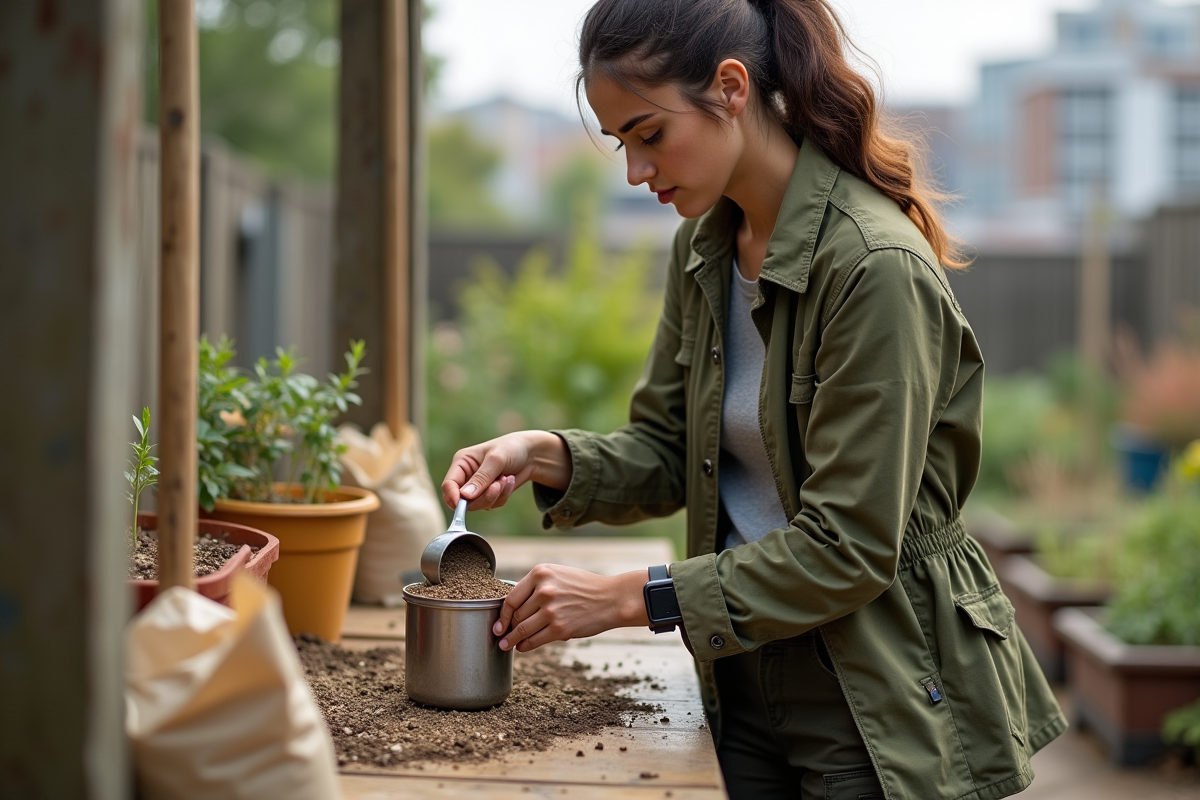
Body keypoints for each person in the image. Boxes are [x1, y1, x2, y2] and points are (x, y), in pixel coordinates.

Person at [440, 1, 1066, 797]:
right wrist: (546, 456)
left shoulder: (873, 270)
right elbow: (676, 451)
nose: (636, 171)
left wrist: (631, 596)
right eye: (621, 143)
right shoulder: (703, 247)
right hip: (737, 675)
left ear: (731, 87)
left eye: (649, 133)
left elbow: (848, 547)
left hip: (876, 696)